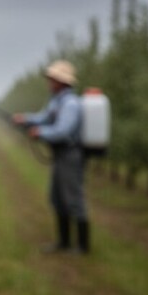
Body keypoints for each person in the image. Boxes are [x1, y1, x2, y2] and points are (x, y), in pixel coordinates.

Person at [12, 60, 89, 254]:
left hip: (70, 155)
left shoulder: (71, 103)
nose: (49, 82)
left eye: (52, 79)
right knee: (57, 198)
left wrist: (40, 132)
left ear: (62, 82)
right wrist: (26, 119)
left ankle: (82, 246)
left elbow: (63, 130)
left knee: (73, 198)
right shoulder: (57, 101)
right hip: (60, 155)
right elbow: (43, 118)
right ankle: (63, 242)